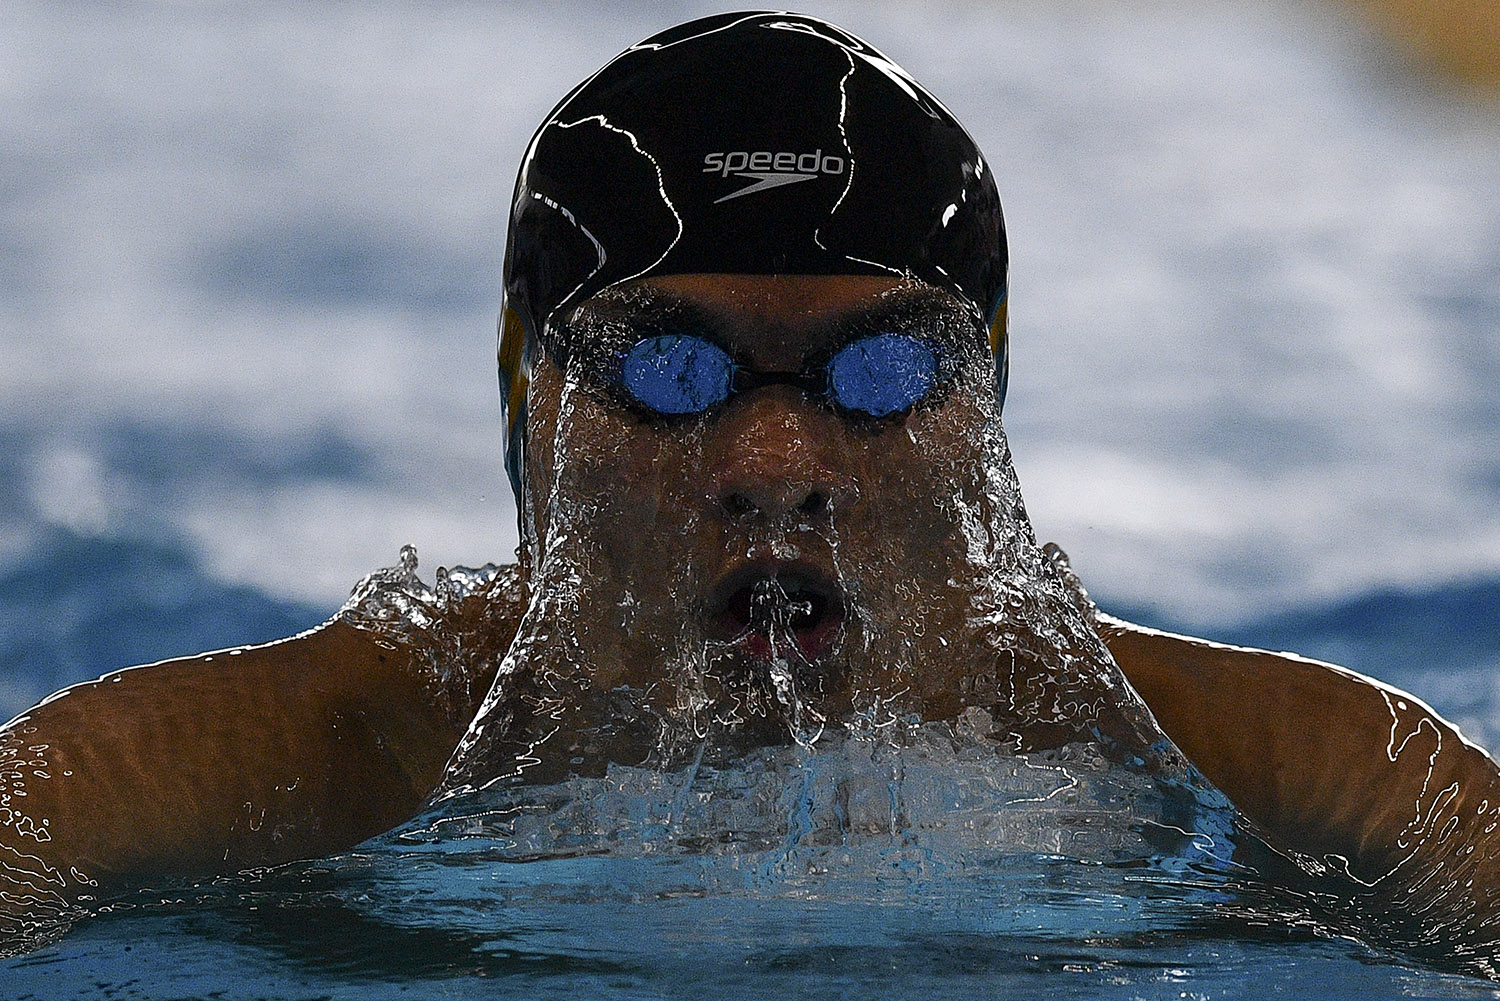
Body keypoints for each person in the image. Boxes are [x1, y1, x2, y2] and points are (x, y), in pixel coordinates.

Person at [3, 10, 1499, 974]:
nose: (777, 470)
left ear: (987, 408)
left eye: (879, 379)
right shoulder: (303, 763)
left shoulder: (1307, 775)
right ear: (532, 398)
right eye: (668, 373)